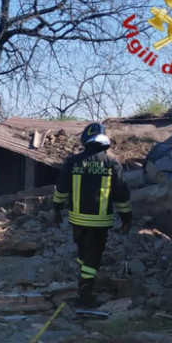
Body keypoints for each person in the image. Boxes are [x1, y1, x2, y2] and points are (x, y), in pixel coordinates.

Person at [51, 122, 133, 308]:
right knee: (93, 256)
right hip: (100, 221)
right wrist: (127, 217)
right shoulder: (111, 163)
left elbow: (61, 189)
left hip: (77, 220)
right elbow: (121, 194)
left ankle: (86, 275)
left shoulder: (73, 162)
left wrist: (56, 210)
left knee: (83, 253)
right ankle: (85, 294)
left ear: (85, 140)